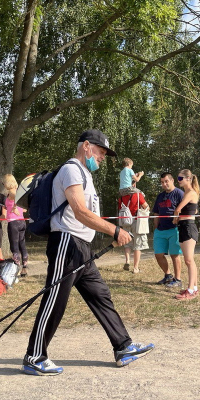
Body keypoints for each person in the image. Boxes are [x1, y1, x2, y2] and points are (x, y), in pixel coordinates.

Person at [22, 129, 154, 376]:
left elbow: (86, 216)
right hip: (66, 243)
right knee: (55, 301)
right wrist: (114, 231)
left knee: (101, 295)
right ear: (86, 147)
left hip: (82, 246)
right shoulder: (71, 169)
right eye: (101, 151)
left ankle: (123, 347)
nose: (103, 157)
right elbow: (80, 211)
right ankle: (34, 356)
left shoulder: (85, 174)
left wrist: (102, 234)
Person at [172, 169, 200, 300]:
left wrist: (175, 217)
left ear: (188, 179)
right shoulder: (186, 193)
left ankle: (191, 290)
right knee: (188, 260)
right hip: (183, 226)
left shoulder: (190, 193)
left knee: (189, 260)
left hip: (189, 227)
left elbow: (178, 209)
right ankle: (193, 288)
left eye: (180, 178)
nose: (179, 181)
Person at [152, 173, 183, 288]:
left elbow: (186, 209)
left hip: (174, 229)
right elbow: (156, 212)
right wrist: (156, 227)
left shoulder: (179, 193)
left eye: (166, 181)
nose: (164, 184)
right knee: (158, 254)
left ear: (172, 180)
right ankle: (168, 275)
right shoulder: (160, 196)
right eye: (162, 182)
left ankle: (178, 279)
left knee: (174, 255)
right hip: (160, 230)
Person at [118, 182, 149, 273]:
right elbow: (146, 207)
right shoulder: (138, 194)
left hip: (125, 222)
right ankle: (136, 268)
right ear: (133, 185)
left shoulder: (121, 196)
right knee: (138, 244)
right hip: (136, 221)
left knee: (127, 243)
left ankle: (127, 261)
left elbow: (120, 208)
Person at [3, 174, 29, 276]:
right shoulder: (19, 191)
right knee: (22, 245)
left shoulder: (11, 192)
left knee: (14, 247)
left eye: (3, 182)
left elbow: (16, 198)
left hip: (13, 222)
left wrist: (14, 207)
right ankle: (25, 268)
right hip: (21, 221)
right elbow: (25, 207)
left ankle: (16, 269)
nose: (3, 184)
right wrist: (18, 208)